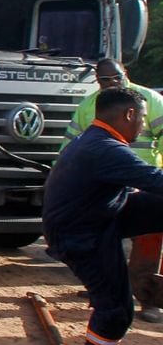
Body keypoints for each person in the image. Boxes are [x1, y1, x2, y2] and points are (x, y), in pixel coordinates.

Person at [43, 86, 163, 345]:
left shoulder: (94, 140)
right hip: (82, 236)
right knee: (115, 311)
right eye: (140, 118)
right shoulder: (104, 149)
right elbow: (155, 178)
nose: (142, 125)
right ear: (128, 115)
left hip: (98, 217)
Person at [61, 59, 163, 324]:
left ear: (125, 74)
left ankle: (147, 298)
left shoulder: (149, 100)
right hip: (106, 187)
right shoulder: (90, 106)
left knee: (148, 240)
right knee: (103, 237)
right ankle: (106, 289)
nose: (110, 84)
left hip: (146, 183)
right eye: (104, 80)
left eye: (115, 78)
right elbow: (70, 145)